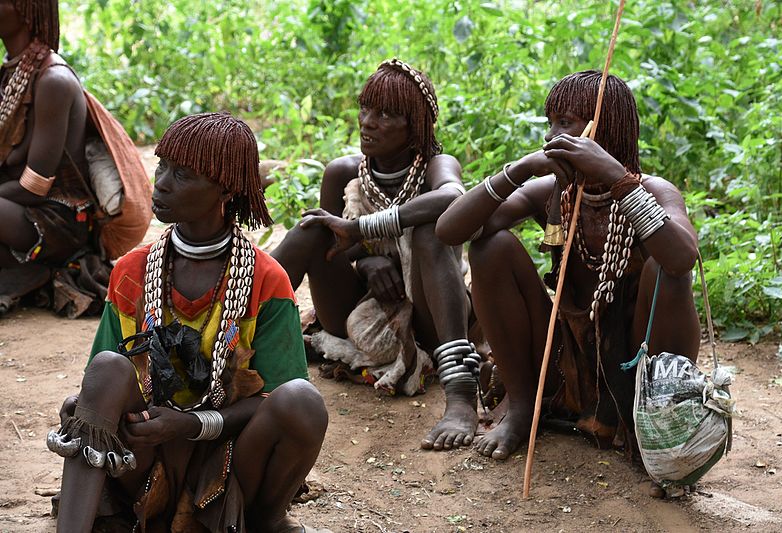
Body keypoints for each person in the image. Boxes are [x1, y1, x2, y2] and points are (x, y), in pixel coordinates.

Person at [47, 112, 329, 532]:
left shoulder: (266, 280)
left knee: (303, 401)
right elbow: (106, 375)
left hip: (230, 463)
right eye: (162, 166)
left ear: (225, 189)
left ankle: (264, 520)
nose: (160, 182)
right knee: (107, 370)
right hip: (140, 460)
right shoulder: (132, 271)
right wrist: (87, 408)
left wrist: (192, 424)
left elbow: (273, 398)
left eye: (182, 175)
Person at [436, 71, 701, 469]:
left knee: (664, 271)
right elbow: (449, 230)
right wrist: (520, 169)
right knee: (491, 247)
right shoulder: (554, 192)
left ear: (602, 129)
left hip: (635, 357)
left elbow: (682, 259)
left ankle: (653, 422)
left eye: (565, 123)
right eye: (550, 123)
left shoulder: (654, 190)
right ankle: (527, 408)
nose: (551, 135)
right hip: (568, 356)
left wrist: (614, 175)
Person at [271, 59, 480, 452]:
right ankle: (232, 338)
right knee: (313, 230)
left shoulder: (437, 166)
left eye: (386, 115)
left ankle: (460, 396)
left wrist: (364, 229)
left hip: (431, 317)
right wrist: (366, 260)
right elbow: (338, 245)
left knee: (429, 232)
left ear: (415, 126)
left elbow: (453, 197)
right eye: (365, 109)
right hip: (362, 312)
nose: (368, 122)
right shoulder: (343, 173)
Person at [0, 0, 150, 318]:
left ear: (28, 12)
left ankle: (38, 268)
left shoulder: (53, 81)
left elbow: (35, 187)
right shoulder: (13, 71)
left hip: (57, 219)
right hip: (18, 206)